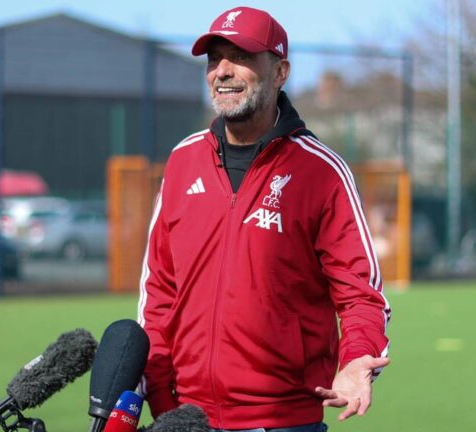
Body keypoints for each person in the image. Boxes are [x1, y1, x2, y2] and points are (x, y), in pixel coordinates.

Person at [137, 6, 391, 432]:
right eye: (214, 58)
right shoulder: (183, 161)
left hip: (283, 420)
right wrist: (162, 400)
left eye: (241, 57)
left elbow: (361, 293)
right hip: (185, 418)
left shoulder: (322, 171)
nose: (223, 71)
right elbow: (158, 290)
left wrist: (357, 359)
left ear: (280, 71)